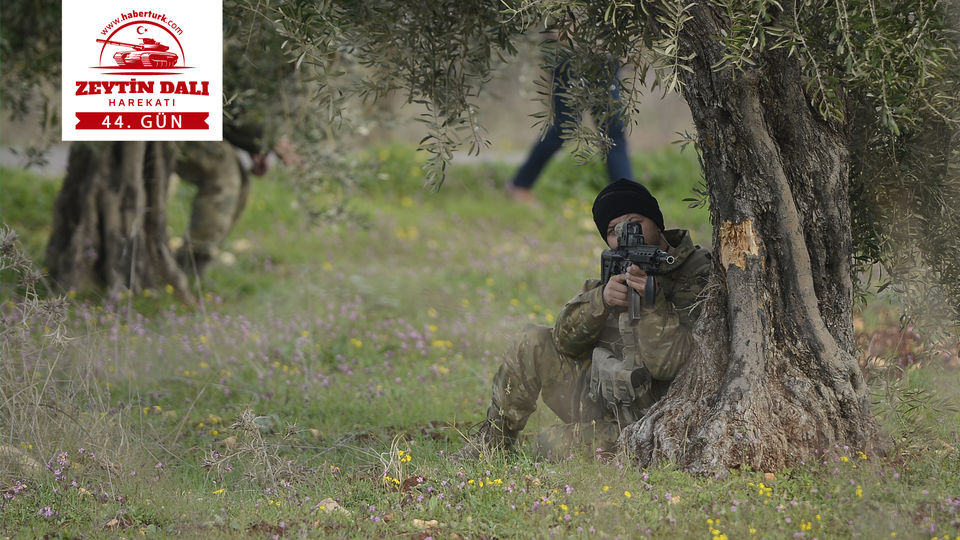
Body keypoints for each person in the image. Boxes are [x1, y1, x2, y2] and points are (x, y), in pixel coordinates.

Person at [452, 179, 712, 461]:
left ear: (656, 223)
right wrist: (601, 300)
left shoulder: (696, 274)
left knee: (549, 444)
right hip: (602, 399)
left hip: (650, 420)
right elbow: (562, 342)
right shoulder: (613, 272)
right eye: (614, 230)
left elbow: (671, 365)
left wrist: (651, 302)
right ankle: (491, 444)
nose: (626, 236)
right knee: (532, 340)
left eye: (634, 223)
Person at [507, 54, 635, 205]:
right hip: (572, 58)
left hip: (605, 61)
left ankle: (630, 197)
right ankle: (520, 185)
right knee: (565, 127)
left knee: (613, 130)